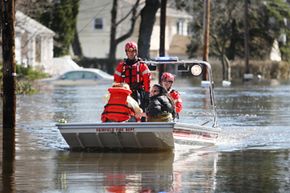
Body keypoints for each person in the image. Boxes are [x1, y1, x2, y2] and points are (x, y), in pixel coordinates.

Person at [114, 41, 151, 111]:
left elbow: (147, 80)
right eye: (129, 51)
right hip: (125, 93)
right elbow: (117, 82)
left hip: (139, 92)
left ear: (136, 52)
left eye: (133, 51)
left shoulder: (142, 65)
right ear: (126, 52)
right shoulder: (121, 66)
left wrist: (147, 93)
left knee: (141, 111)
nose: (131, 53)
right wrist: (117, 94)